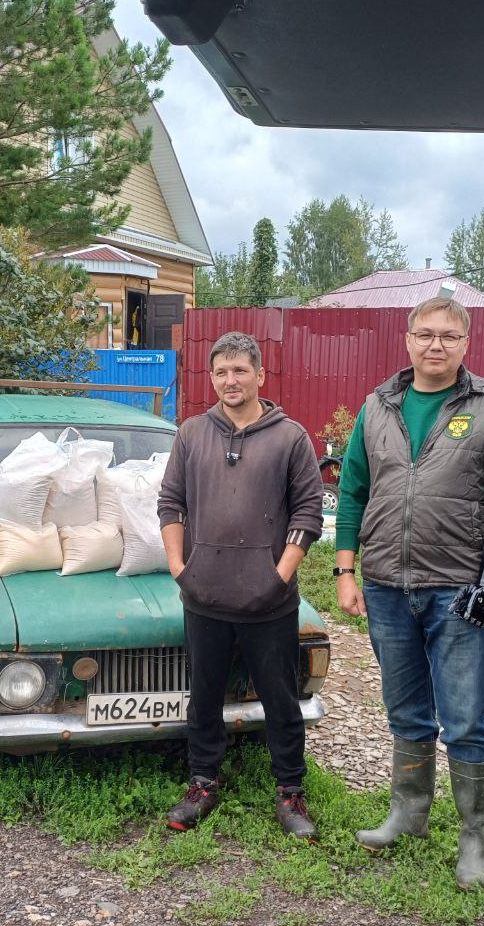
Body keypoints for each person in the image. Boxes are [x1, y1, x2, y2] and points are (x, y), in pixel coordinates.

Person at [335, 296, 484, 887]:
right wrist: (346, 571)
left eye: (448, 336)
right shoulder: (377, 408)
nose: (435, 345)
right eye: (425, 334)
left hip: (457, 589)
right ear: (407, 340)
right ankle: (409, 813)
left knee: (466, 718)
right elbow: (352, 491)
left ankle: (475, 837)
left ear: (466, 343)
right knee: (405, 709)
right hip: (388, 587)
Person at [158, 331, 324, 839]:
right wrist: (179, 567)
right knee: (203, 695)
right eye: (221, 372)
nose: (231, 381)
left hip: (269, 602)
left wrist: (279, 574)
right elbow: (171, 502)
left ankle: (290, 792)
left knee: (280, 697)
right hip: (203, 596)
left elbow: (308, 511)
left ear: (259, 376)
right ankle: (203, 783)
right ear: (212, 377)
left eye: (240, 371)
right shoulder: (190, 433)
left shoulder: (290, 437)